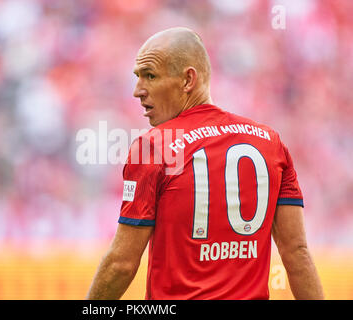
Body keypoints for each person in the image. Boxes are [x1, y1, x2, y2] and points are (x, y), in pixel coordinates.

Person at [86, 27, 324, 300]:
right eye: (138, 77)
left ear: (188, 80)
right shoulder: (271, 143)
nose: (138, 91)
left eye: (150, 76)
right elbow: (296, 253)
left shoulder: (154, 147)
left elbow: (121, 264)